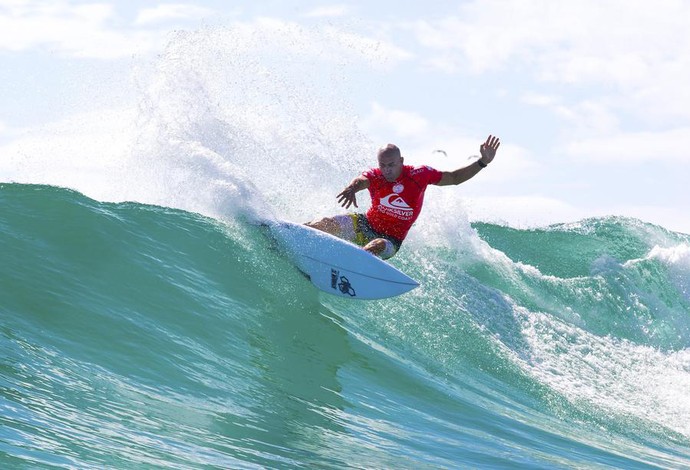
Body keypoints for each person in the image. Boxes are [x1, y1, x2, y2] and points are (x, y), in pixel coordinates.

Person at [307, 135, 501, 259]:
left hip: (390, 239)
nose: (387, 169)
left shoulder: (419, 175)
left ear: (401, 161)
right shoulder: (376, 175)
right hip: (366, 224)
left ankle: (349, 265)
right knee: (324, 223)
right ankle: (285, 236)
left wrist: (483, 162)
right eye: (383, 165)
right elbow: (362, 180)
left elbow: (455, 178)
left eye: (391, 164)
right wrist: (352, 188)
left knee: (375, 246)